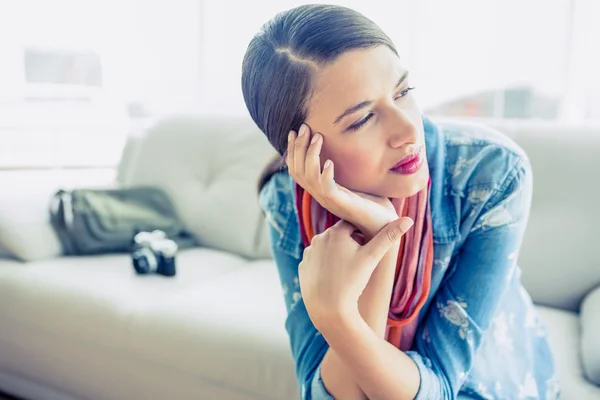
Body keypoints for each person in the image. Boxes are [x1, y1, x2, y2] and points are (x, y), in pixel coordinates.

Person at [241, 4, 559, 400]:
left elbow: (440, 388)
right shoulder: (288, 205)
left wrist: (340, 317)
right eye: (362, 120)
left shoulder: (491, 174)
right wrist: (379, 241)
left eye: (403, 92)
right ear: (302, 150)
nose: (410, 128)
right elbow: (325, 393)